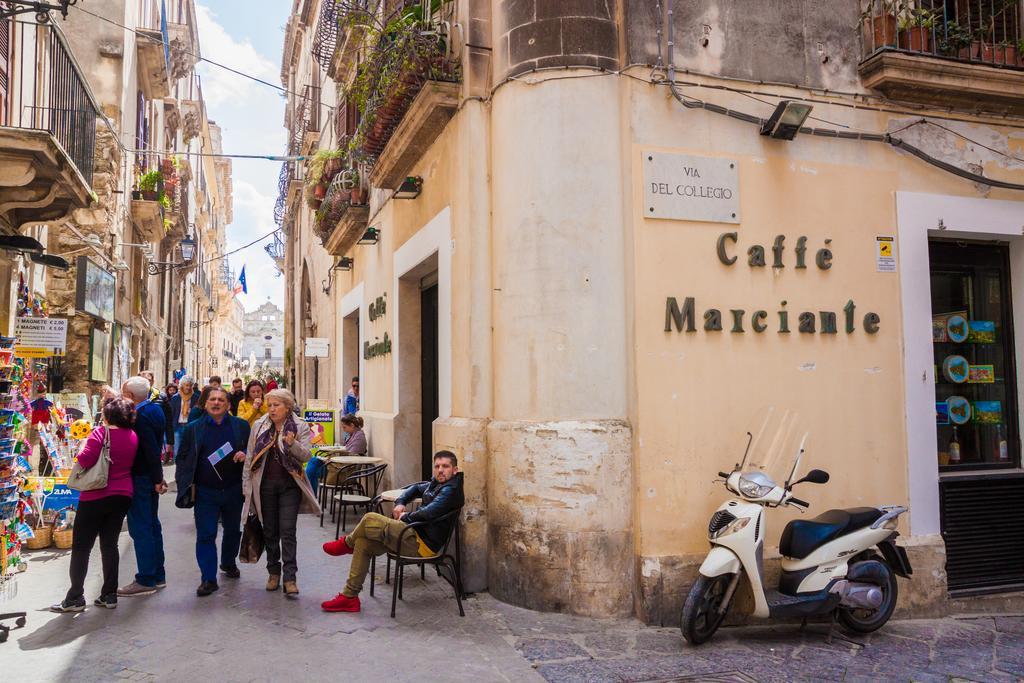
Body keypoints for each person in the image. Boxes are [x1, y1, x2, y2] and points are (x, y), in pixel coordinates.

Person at [321, 450, 464, 613]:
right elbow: (416, 488)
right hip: (410, 535)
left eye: (445, 466)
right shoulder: (437, 483)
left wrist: (405, 516)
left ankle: (346, 543)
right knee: (363, 543)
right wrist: (401, 502)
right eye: (437, 466)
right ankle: (349, 598)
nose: (440, 470)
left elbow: (429, 513)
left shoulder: (450, 490)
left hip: (421, 545)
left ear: (455, 470)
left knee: (369, 519)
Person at [51, 398, 139, 612]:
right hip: (122, 494)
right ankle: (109, 595)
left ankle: (75, 598)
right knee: (110, 545)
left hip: (95, 495)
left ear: (108, 415)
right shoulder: (133, 436)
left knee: (82, 547)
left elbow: (85, 460)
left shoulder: (100, 433)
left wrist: (83, 444)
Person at [242, 389, 320, 598]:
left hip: (289, 486)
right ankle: (273, 572)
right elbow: (250, 457)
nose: (272, 409)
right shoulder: (259, 425)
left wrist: (291, 443)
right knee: (270, 531)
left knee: (287, 531)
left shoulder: (301, 426)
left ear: (287, 407)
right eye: (270, 405)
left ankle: (290, 578)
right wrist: (246, 486)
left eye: (276, 405)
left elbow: (306, 456)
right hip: (264, 485)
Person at [174, 387, 251, 597]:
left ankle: (228, 562)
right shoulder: (193, 429)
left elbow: (252, 452)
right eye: (212, 400)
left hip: (234, 489)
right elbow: (182, 458)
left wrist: (245, 455)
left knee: (233, 530)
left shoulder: (241, 426)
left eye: (221, 400)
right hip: (205, 491)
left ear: (228, 405)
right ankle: (208, 579)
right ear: (206, 403)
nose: (216, 403)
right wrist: (184, 484)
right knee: (206, 534)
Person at [116, 377, 169, 597]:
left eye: (123, 392)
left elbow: (149, 449)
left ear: (130, 396)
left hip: (141, 477)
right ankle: (157, 575)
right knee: (152, 525)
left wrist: (157, 478)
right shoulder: (154, 409)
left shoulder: (141, 416)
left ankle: (146, 578)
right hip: (149, 476)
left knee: (141, 527)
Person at [305, 414, 366, 498]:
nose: (343, 430)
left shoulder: (358, 437)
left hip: (344, 471)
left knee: (313, 468)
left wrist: (331, 460)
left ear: (352, 425)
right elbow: (347, 452)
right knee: (313, 462)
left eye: (344, 427)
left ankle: (310, 497)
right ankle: (310, 497)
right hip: (341, 467)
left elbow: (351, 457)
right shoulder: (353, 435)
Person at [141, 370, 174, 463]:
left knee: (154, 462)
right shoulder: (134, 396)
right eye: (144, 380)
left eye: (149, 380)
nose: (147, 382)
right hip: (138, 436)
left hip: (156, 437)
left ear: (153, 381)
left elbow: (168, 420)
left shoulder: (161, 396)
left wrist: (170, 442)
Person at [168, 375, 199, 458]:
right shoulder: (175, 398)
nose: (188, 387)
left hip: (190, 427)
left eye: (190, 385)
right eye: (186, 385)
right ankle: (179, 469)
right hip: (178, 427)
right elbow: (171, 415)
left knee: (190, 451)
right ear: (182, 385)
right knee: (177, 452)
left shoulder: (196, 398)